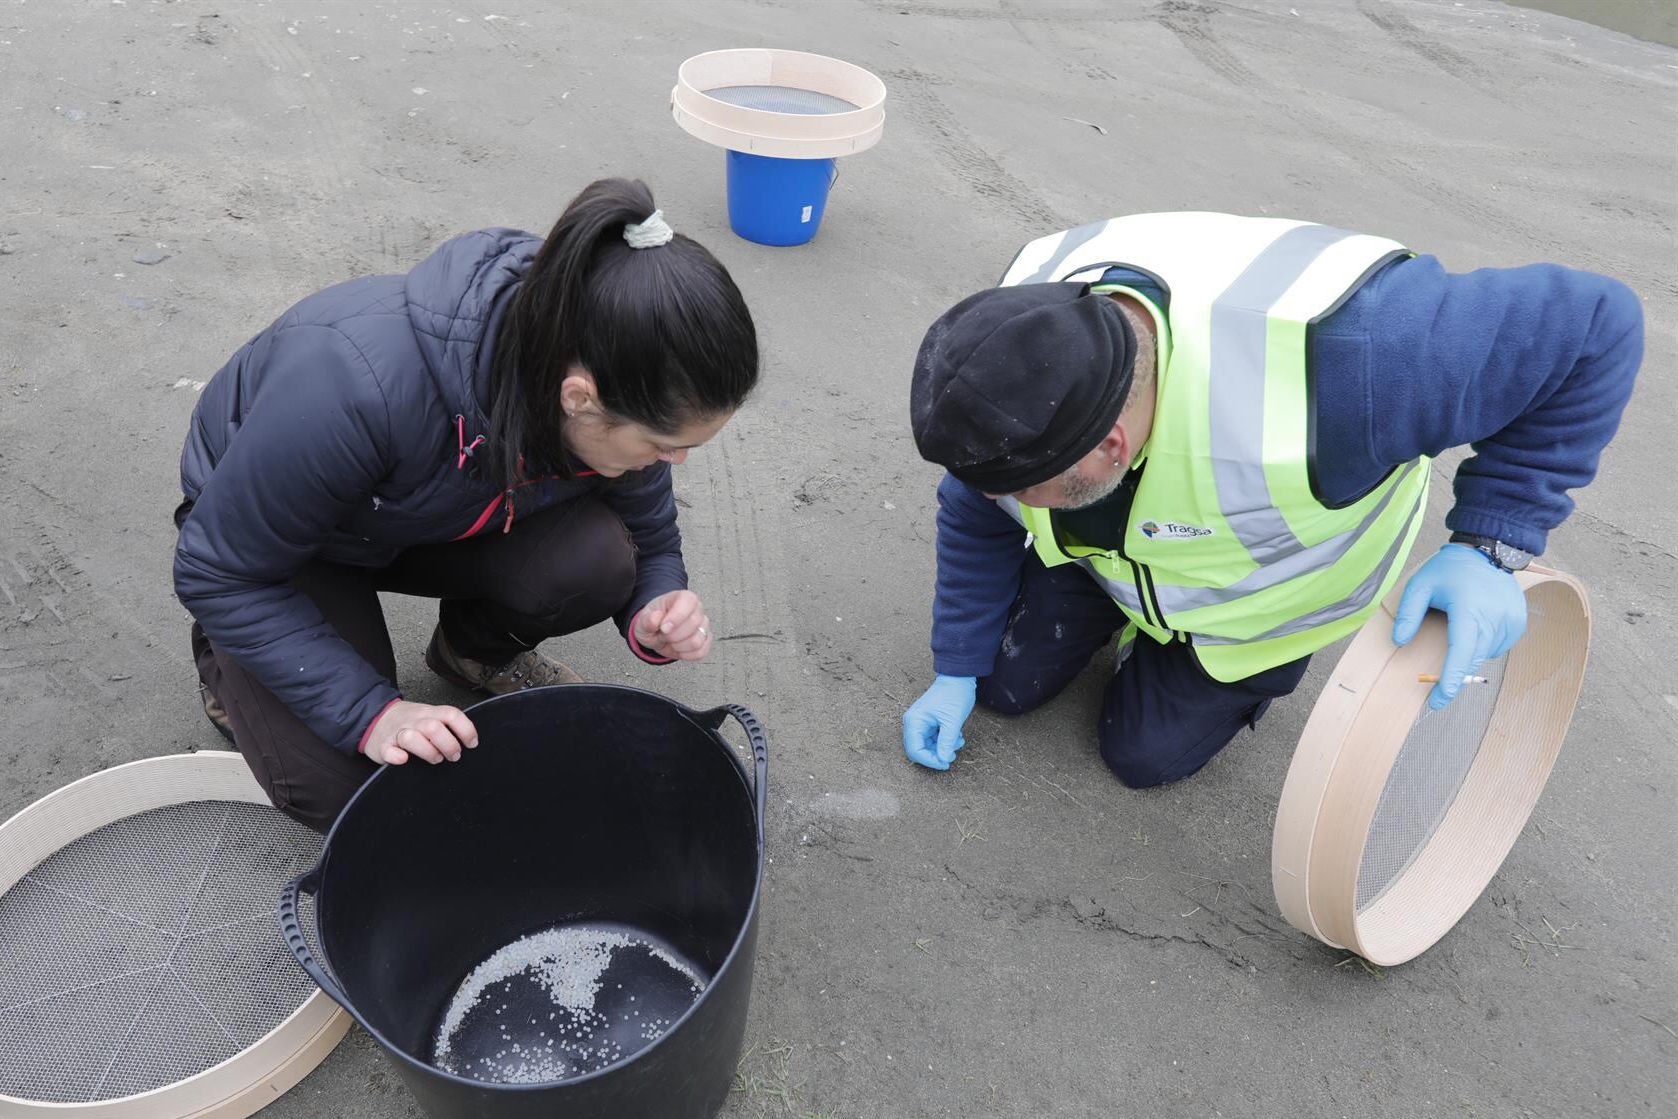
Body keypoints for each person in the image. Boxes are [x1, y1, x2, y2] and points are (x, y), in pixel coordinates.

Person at [902, 213, 1641, 785]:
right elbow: (973, 505)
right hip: (1121, 555)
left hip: (1259, 608)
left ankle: (1199, 665)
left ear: (1112, 448)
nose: (999, 497)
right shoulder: (1023, 327)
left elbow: (1594, 327)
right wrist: (955, 667)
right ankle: (1108, 596)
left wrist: (1491, 546)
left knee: (1142, 757)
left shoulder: (1364, 362)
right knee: (1002, 684)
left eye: (1025, 489)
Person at [174, 178, 759, 830]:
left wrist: (657, 601)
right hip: (288, 545)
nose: (674, 462)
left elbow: (647, 531)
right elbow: (219, 569)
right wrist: (373, 713)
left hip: (421, 517)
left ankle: (470, 650)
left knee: (601, 559)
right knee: (354, 786)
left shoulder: (613, 360)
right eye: (663, 443)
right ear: (579, 398)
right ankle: (224, 668)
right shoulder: (351, 385)